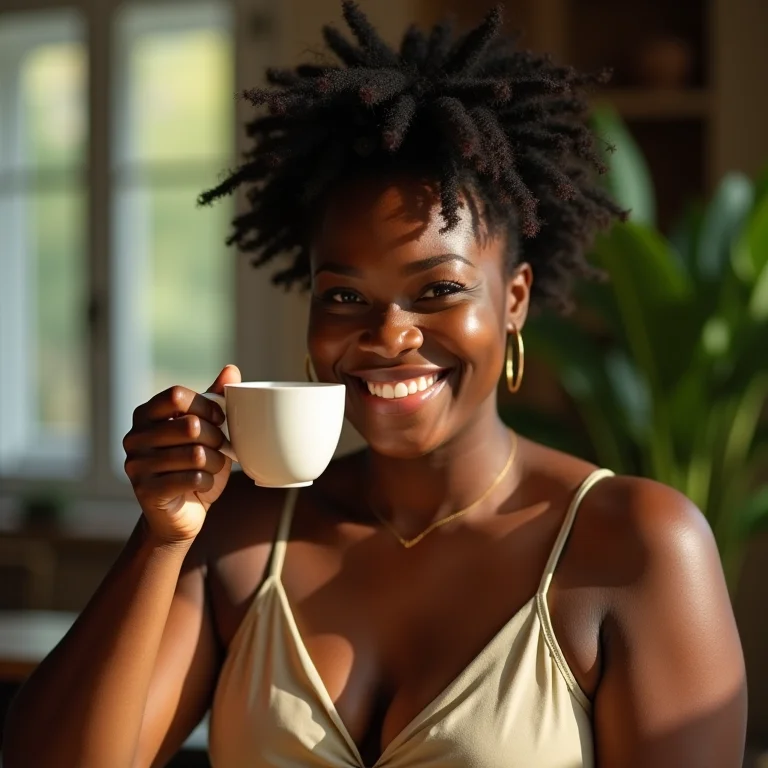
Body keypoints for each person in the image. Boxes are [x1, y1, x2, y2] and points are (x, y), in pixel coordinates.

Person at [3, 3, 747, 767]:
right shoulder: (239, 534)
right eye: (346, 296)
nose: (389, 335)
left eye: (438, 290)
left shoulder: (634, 544)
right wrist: (160, 539)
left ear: (514, 299)